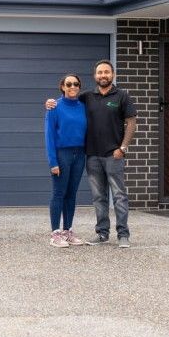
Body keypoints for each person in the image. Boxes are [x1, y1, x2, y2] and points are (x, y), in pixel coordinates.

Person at [46, 60, 137, 248]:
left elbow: (131, 122)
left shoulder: (121, 96)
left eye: (106, 72)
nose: (103, 75)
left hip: (112, 155)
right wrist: (50, 102)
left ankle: (123, 235)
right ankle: (100, 233)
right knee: (97, 197)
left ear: (112, 74)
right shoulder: (86, 97)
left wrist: (123, 148)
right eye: (99, 72)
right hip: (91, 155)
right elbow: (63, 106)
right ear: (95, 76)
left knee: (118, 195)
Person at [44, 73, 88, 248]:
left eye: (76, 84)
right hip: (62, 154)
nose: (72, 87)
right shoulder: (54, 107)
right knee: (58, 193)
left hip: (80, 154)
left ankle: (67, 230)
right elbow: (49, 136)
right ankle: (55, 233)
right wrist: (53, 162)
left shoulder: (83, 106)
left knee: (71, 193)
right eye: (68, 84)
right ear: (62, 86)